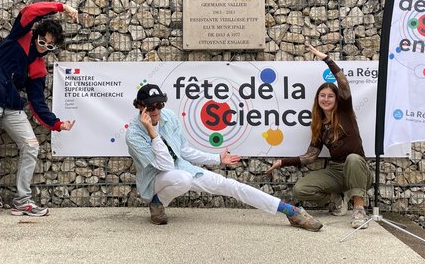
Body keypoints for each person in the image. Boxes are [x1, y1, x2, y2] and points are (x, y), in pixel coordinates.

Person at [126, 83, 323, 231]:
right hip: (156, 180)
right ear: (140, 107)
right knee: (182, 179)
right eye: (151, 107)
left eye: (159, 105)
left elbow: (184, 151)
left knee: (231, 186)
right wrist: (152, 132)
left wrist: (217, 159)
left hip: (182, 168)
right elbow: (166, 164)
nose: (156, 111)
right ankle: (157, 202)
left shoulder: (168, 116)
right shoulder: (133, 134)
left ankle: (290, 212)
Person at [0, 1, 79, 219]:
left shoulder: (38, 67)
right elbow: (30, 12)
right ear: (36, 34)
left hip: (11, 105)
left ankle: (22, 201)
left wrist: (57, 124)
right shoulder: (19, 36)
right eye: (42, 40)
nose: (43, 46)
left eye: (49, 45)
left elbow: (37, 103)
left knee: (31, 145)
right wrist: (62, 7)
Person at [266, 45, 373, 229]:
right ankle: (337, 198)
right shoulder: (319, 125)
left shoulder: (345, 111)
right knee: (300, 189)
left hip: (357, 169)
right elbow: (310, 156)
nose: (326, 99)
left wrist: (327, 60)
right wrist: (283, 162)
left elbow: (343, 83)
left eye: (330, 96)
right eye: (322, 96)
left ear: (337, 99)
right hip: (335, 171)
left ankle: (358, 210)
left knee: (353, 158)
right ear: (317, 99)